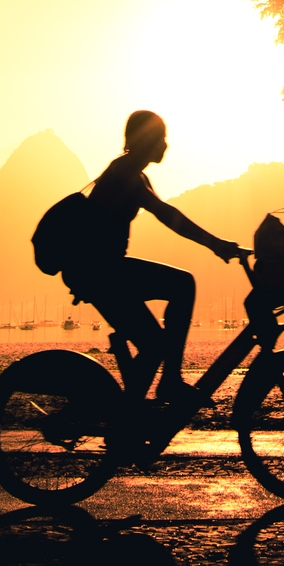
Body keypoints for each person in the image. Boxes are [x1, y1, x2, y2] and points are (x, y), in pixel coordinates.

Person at [64, 110, 242, 405]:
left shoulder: (131, 172)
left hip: (103, 272)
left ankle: (131, 410)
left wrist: (216, 243)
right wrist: (215, 244)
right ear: (146, 140)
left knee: (155, 343)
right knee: (182, 287)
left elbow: (163, 210)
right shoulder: (126, 174)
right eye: (161, 137)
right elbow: (167, 214)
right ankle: (167, 384)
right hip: (102, 273)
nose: (166, 144)